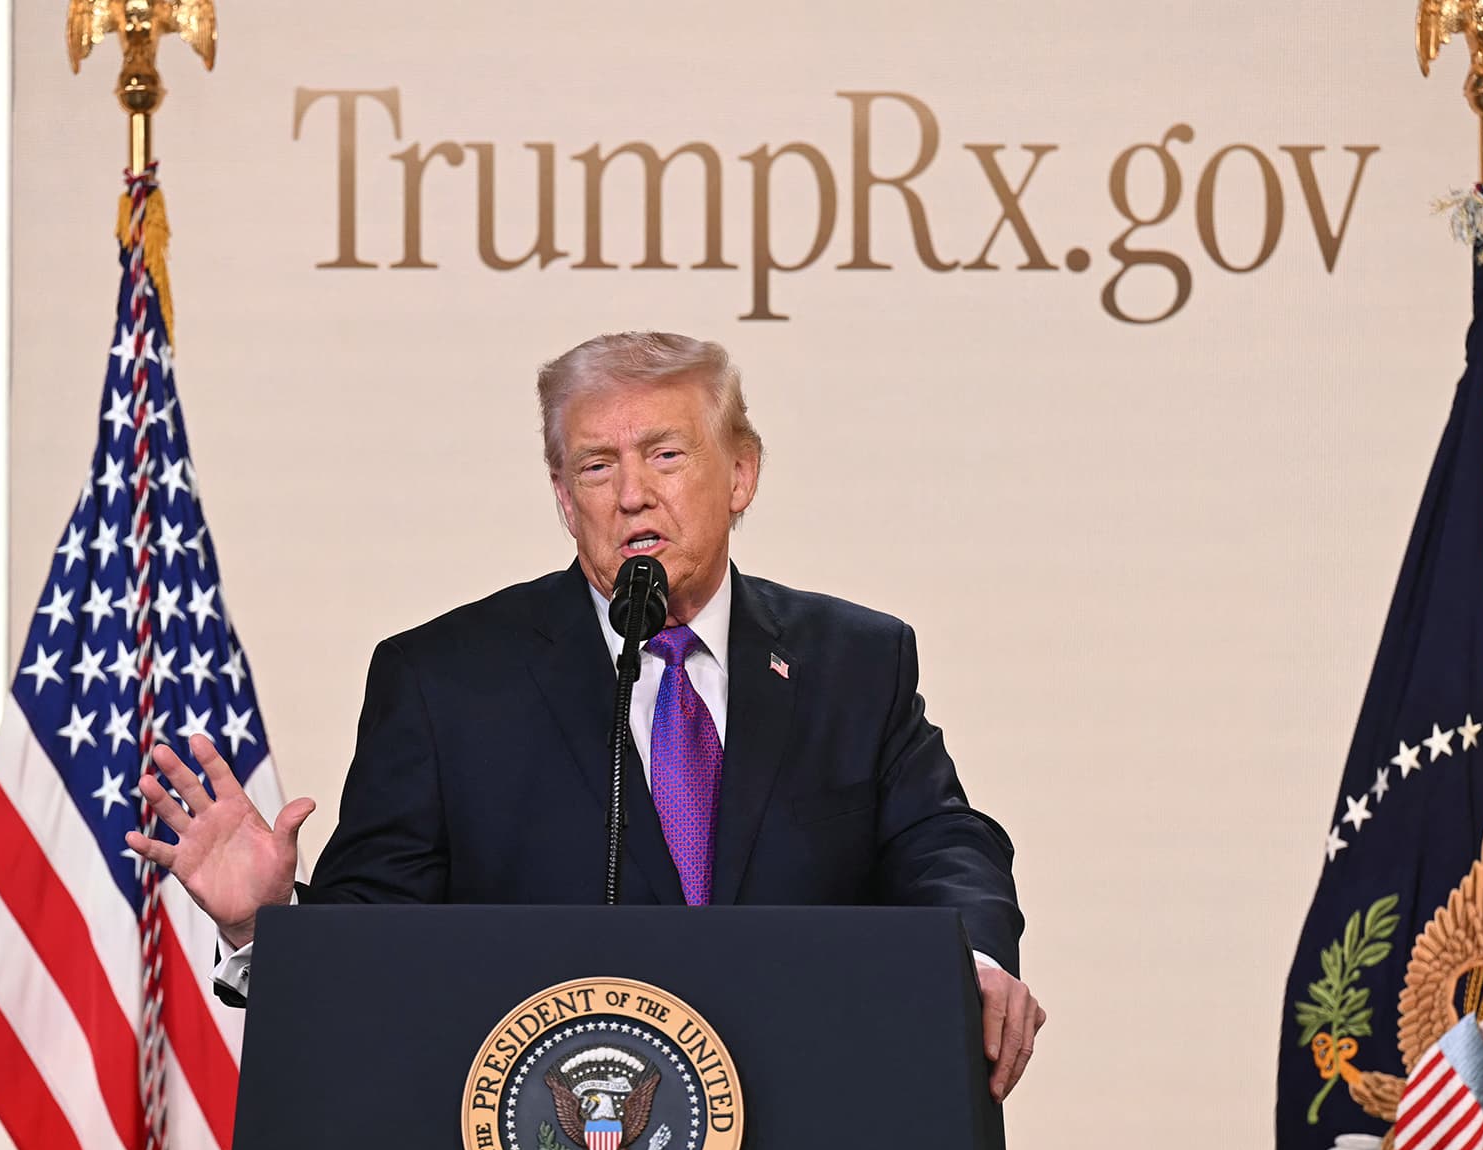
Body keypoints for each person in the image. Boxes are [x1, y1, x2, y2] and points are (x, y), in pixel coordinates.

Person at [130, 332, 1046, 1099]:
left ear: (741, 473)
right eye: (596, 465)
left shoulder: (854, 659)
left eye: (667, 454)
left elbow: (944, 842)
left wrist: (962, 961)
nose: (632, 493)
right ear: (566, 499)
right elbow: (376, 947)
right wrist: (267, 923)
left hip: (810, 1148)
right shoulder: (444, 680)